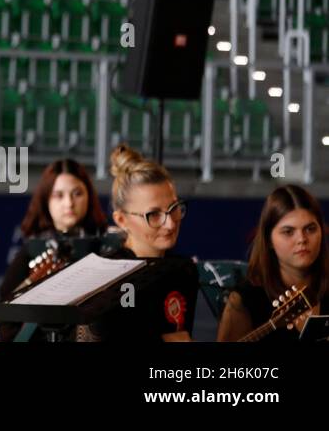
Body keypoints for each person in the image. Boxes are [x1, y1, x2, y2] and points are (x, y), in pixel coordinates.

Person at [87, 144, 196, 342]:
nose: (170, 223)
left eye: (174, 208)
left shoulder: (183, 270)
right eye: (153, 215)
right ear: (121, 220)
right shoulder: (106, 277)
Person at [217, 185, 325, 342]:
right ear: (269, 241)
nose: (302, 239)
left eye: (310, 229)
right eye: (288, 232)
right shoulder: (246, 300)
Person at [0, 158, 109, 299]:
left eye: (77, 194)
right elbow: (6, 303)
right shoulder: (32, 249)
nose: (69, 203)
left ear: (89, 196)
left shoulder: (106, 245)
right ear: (45, 200)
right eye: (59, 195)